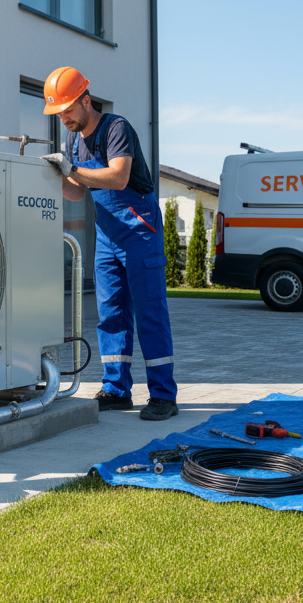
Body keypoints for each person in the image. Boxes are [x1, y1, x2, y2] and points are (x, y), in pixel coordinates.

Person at [40, 66, 177, 421]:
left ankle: (163, 395)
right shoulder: (72, 140)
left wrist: (70, 169)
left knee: (150, 313)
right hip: (107, 232)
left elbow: (118, 178)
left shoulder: (116, 128)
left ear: (86, 101)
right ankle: (116, 390)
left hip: (139, 228)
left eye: (68, 110)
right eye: (58, 113)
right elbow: (74, 193)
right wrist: (51, 174)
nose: (64, 118)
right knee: (111, 313)